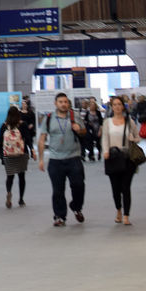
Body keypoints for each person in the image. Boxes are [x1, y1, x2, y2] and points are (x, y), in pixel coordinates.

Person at [37, 91, 85, 224]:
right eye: (61, 102)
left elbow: (84, 131)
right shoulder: (49, 118)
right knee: (58, 190)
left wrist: (79, 129)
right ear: (55, 104)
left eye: (65, 102)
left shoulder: (74, 116)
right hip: (55, 159)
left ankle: (76, 207)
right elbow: (42, 139)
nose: (63, 104)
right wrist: (41, 159)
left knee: (78, 185)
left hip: (74, 157)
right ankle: (59, 216)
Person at [101, 96, 141, 225]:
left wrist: (133, 139)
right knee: (115, 188)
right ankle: (118, 209)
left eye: (119, 104)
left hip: (127, 158)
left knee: (126, 187)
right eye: (115, 105)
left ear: (123, 106)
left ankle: (126, 215)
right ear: (111, 107)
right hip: (112, 157)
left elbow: (138, 137)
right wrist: (105, 151)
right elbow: (105, 138)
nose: (117, 107)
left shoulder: (129, 121)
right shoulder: (107, 122)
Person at [0, 104, 33, 209]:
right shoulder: (23, 125)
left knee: (10, 176)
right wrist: (32, 150)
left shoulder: (4, 126)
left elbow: (0, 141)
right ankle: (21, 199)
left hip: (8, 155)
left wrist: (1, 155)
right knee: (21, 176)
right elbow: (28, 139)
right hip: (21, 153)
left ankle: (9, 192)